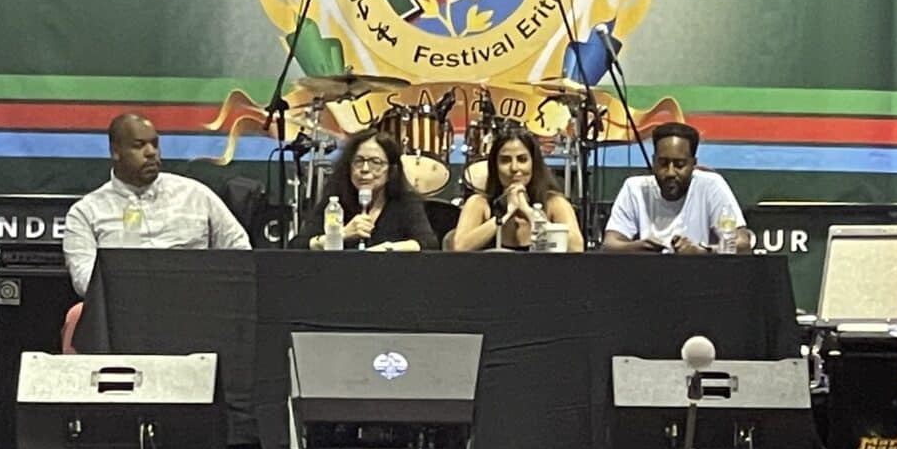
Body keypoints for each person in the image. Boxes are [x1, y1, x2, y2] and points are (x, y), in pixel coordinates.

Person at [63, 112, 251, 296]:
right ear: (115, 152)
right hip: (126, 309)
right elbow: (84, 279)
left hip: (195, 303)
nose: (151, 153)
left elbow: (239, 248)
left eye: (155, 144)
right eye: (139, 145)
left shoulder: (196, 196)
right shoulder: (86, 213)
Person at [603, 122, 751, 254]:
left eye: (679, 165)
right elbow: (610, 245)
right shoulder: (634, 188)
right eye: (663, 164)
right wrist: (640, 248)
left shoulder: (711, 185)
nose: (670, 172)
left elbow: (742, 244)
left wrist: (701, 252)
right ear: (653, 162)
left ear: (693, 164)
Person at [293, 129, 439, 251]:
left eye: (376, 162)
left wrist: (387, 249)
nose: (365, 169)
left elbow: (428, 243)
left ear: (391, 170)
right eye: (358, 161)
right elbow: (298, 246)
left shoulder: (404, 202)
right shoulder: (335, 200)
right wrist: (340, 235)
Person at [451, 127, 584, 252]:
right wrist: (503, 216)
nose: (514, 168)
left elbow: (577, 247)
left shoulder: (554, 203)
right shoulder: (479, 204)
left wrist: (529, 212)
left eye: (522, 159)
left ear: (534, 163)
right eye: (505, 160)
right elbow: (459, 247)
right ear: (495, 166)